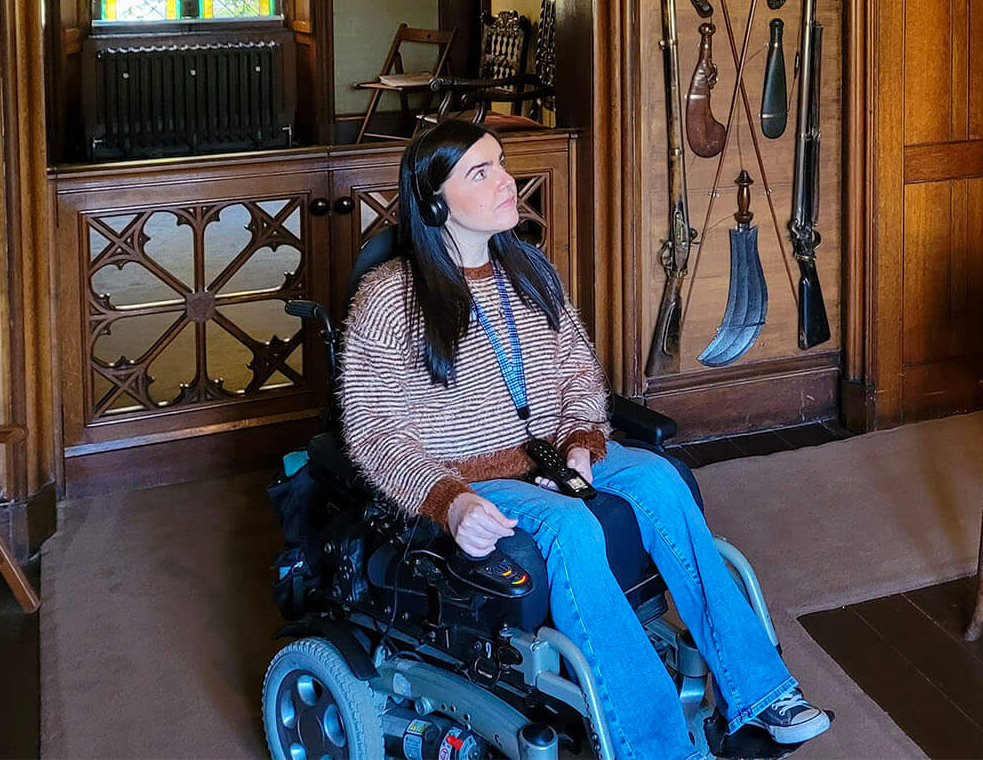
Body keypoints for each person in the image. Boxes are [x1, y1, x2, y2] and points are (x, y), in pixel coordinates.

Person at [341, 119, 831, 760]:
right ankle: (657, 749)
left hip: (554, 454)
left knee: (656, 476)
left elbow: (577, 370)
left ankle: (762, 693)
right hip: (473, 477)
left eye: (502, 164)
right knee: (572, 526)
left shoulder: (531, 273)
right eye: (480, 173)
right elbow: (375, 433)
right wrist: (449, 500)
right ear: (435, 201)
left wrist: (582, 439)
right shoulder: (389, 298)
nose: (506, 182)